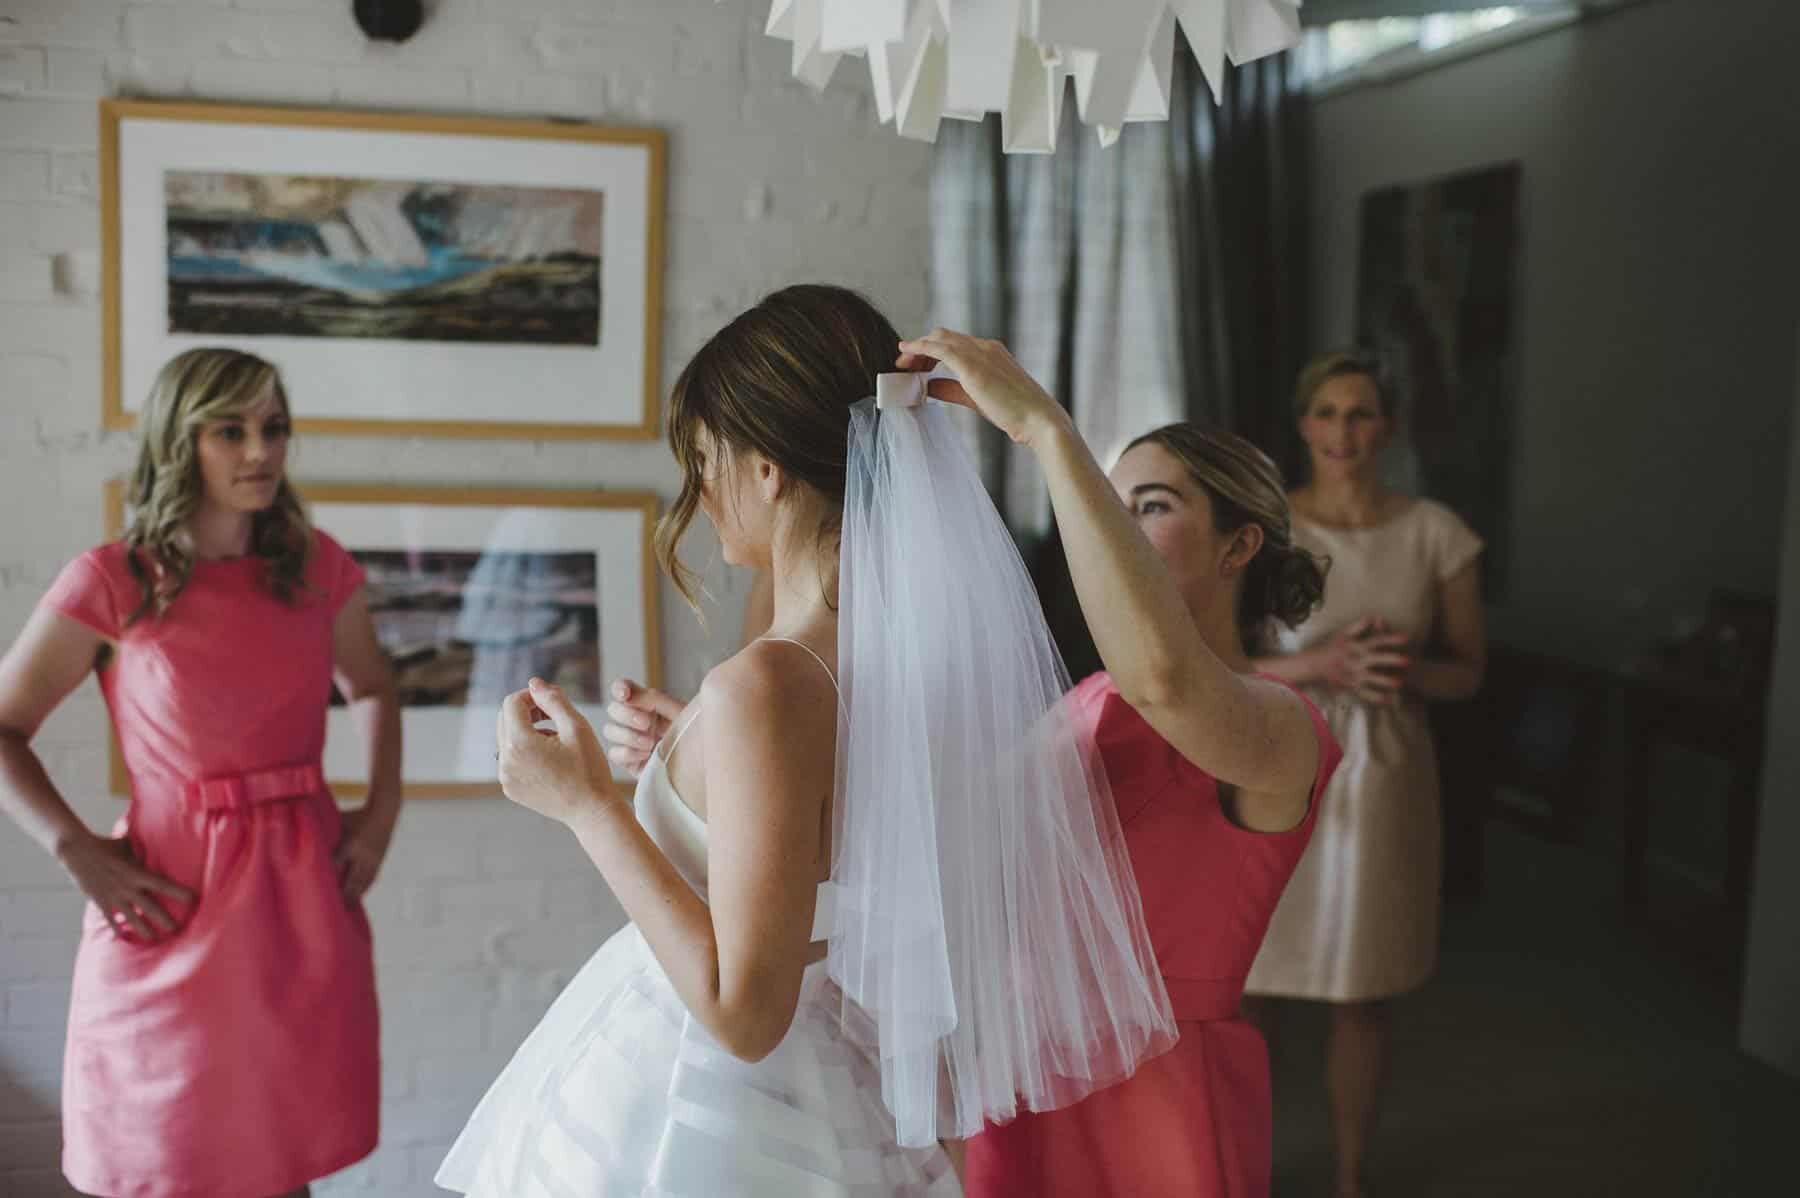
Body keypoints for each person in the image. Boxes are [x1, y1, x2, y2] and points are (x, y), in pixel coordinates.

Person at [436, 285, 1173, 1197]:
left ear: (766, 469)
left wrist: (584, 804)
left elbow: (744, 1015)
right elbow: (835, 836)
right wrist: (701, 763)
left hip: (705, 1107)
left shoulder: (769, 683)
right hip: (821, 1088)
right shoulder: (887, 661)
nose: (700, 494)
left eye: (705, 461)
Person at [883, 332, 1341, 1197]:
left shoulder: (1287, 726)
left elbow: (1167, 677)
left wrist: (1048, 432)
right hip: (1031, 1064)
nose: (1117, 533)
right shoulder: (1093, 696)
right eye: (1109, 506)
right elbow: (952, 809)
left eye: (1151, 508)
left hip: (1156, 1094)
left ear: (1239, 548)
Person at [0, 348, 401, 1198]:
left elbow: (372, 683)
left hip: (300, 905)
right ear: (181, 439)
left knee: (284, 1166)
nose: (261, 450)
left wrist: (380, 815)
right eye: (231, 430)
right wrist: (76, 849)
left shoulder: (317, 566)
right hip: (169, 903)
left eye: (275, 427)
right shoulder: (112, 580)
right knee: (166, 1162)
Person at [1246, 350, 1487, 1198]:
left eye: (1360, 413)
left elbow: (1469, 670)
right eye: (1326, 412)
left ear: (1387, 426)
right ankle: (1245, 1170)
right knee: (1248, 982)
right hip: (1274, 761)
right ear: (1303, 423)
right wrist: (1319, 666)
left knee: (1363, 987)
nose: (1342, 431)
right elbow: (1216, 662)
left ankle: (1350, 1177)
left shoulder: (1436, 533)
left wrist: (1405, 673)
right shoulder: (1264, 528)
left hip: (1385, 774)